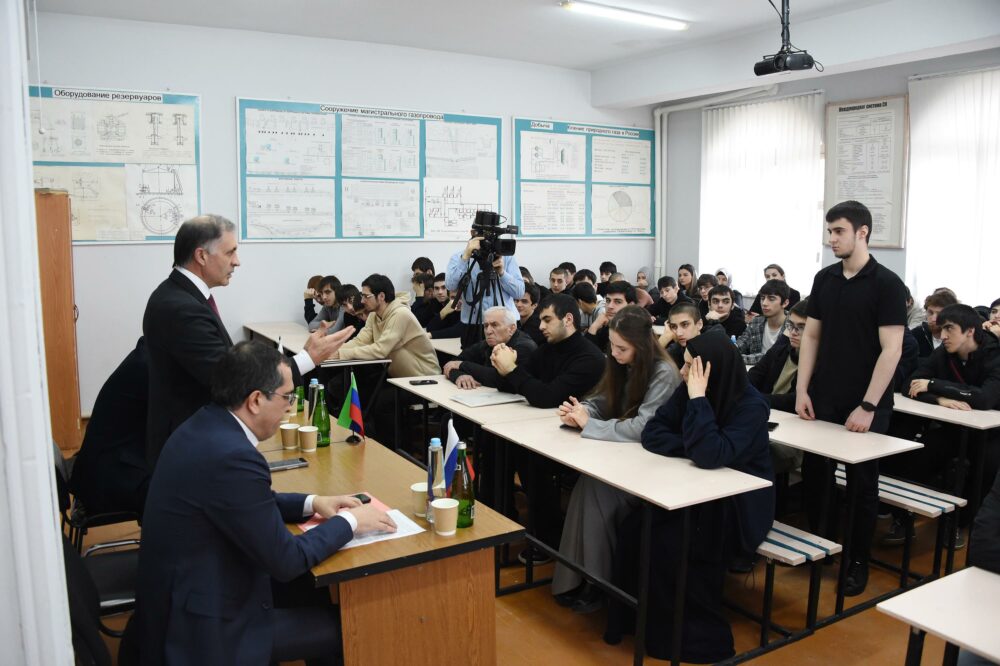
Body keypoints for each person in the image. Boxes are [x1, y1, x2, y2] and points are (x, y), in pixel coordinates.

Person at [127, 342, 397, 666]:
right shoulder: (232, 456)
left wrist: (314, 502)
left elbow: (249, 502)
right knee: (355, 623)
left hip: (185, 594)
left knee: (310, 590)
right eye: (287, 397)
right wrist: (351, 522)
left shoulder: (206, 424)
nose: (290, 407)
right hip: (207, 630)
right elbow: (286, 559)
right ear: (255, 400)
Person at [606, 332, 774, 662]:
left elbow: (711, 454)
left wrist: (698, 403)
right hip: (693, 491)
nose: (682, 373)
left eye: (688, 367)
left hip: (738, 503)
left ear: (710, 370)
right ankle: (632, 620)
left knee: (669, 545)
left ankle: (674, 637)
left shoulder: (751, 406)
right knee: (634, 529)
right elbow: (653, 434)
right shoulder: (688, 389)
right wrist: (694, 446)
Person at [143, 215, 353, 466]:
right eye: (230, 252)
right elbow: (228, 379)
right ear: (202, 256)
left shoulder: (180, 296)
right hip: (192, 451)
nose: (237, 261)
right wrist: (308, 358)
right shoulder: (181, 308)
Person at [795, 200, 907, 596]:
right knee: (816, 475)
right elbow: (811, 336)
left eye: (839, 231)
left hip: (867, 404)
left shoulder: (887, 284)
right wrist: (802, 389)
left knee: (862, 486)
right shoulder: (824, 278)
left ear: (862, 232)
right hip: (824, 396)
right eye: (829, 232)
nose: (832, 239)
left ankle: (857, 561)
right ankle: (822, 547)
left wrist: (868, 406)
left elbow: (891, 350)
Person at [551, 306, 681, 612]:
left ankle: (596, 582)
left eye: (622, 348)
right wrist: (581, 411)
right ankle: (580, 577)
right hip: (627, 458)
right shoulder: (624, 362)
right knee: (586, 486)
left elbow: (643, 428)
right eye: (612, 346)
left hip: (656, 466)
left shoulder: (663, 372)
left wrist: (589, 425)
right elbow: (603, 400)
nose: (615, 353)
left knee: (596, 491)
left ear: (642, 345)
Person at [492, 294, 605, 554]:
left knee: (531, 458)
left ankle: (548, 540)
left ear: (568, 319)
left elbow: (547, 397)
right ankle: (499, 519)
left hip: (581, 437)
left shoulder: (589, 357)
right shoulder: (548, 348)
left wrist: (512, 370)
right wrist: (501, 363)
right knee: (498, 443)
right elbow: (513, 384)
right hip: (549, 428)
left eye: (547, 320)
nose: (540, 326)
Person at [69, 337, 150, 518]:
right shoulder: (147, 366)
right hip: (106, 478)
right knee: (177, 486)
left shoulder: (144, 355)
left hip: (102, 466)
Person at [333, 274, 440, 378]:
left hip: (425, 378)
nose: (362, 301)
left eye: (366, 296)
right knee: (341, 383)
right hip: (400, 377)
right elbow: (360, 341)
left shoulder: (400, 314)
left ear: (381, 296)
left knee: (357, 385)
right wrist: (332, 351)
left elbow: (380, 350)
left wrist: (341, 354)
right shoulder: (374, 315)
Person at [748, 299, 809, 475]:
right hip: (768, 421)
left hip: (797, 436)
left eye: (801, 327)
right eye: (790, 326)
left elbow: (794, 401)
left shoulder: (821, 363)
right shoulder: (782, 349)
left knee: (754, 453)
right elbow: (754, 375)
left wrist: (756, 399)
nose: (793, 333)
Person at [445, 223, 524, 347]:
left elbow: (519, 292)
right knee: (472, 358)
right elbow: (450, 285)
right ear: (473, 233)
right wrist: (465, 258)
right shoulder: (459, 257)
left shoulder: (506, 257)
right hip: (473, 324)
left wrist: (502, 273)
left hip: (505, 325)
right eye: (484, 236)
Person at [443, 306, 536, 389]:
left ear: (511, 329)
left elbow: (501, 379)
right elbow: (453, 363)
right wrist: (459, 375)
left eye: (495, 325)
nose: (488, 331)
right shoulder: (490, 342)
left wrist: (463, 365)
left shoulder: (524, 347)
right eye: (486, 326)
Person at [735, 279, 789, 364]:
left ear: (785, 303)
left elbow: (774, 357)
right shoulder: (756, 321)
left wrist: (738, 358)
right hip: (753, 370)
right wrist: (730, 350)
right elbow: (741, 343)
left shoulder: (792, 326)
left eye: (771, 299)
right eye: (762, 298)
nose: (764, 303)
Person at [585, 280, 636, 352]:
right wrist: (594, 326)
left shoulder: (637, 331)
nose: (610, 306)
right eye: (608, 300)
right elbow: (586, 353)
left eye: (618, 302)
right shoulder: (607, 325)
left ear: (631, 306)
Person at [911, 290, 959, 357]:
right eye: (930, 313)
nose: (933, 319)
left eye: (940, 314)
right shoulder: (915, 335)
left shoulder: (958, 338)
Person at [425, 273, 462, 338]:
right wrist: (443, 312)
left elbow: (458, 330)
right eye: (453, 298)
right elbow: (430, 328)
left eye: (443, 287)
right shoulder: (436, 303)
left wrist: (431, 335)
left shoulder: (470, 309)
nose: (440, 292)